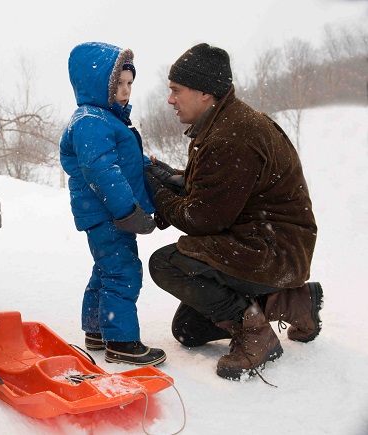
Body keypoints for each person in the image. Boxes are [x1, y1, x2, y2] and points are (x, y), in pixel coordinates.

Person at [146, 43, 322, 381]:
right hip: (256, 242)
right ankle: (294, 301)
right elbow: (217, 189)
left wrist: (158, 194)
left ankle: (255, 334)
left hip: (273, 249)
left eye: (175, 90)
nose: (170, 100)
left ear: (204, 92)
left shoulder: (232, 135)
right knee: (189, 330)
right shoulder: (225, 123)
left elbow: (202, 219)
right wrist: (170, 177)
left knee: (167, 264)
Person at [60, 41, 166, 366]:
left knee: (106, 269)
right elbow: (102, 170)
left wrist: (157, 171)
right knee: (123, 271)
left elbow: (125, 162)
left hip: (107, 214)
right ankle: (121, 342)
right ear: (97, 84)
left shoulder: (106, 119)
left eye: (130, 83)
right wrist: (127, 211)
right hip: (109, 214)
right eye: (118, 83)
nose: (125, 90)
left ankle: (97, 330)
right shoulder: (92, 120)